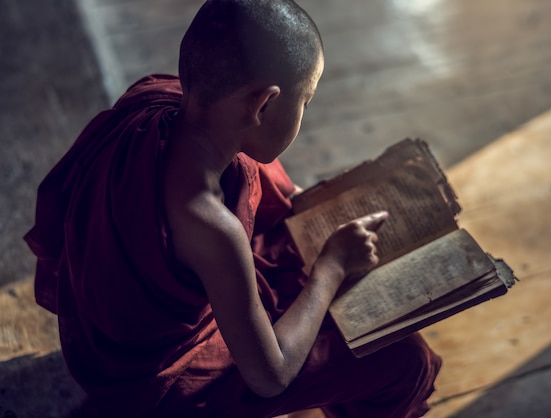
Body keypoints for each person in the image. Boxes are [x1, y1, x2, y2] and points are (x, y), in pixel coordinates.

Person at [24, 1, 441, 417]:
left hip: (95, 340)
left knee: (265, 198)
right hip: (157, 381)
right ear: (262, 106)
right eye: (306, 101)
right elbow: (270, 375)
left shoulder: (155, 97)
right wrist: (331, 267)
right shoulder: (209, 223)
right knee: (405, 360)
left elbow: (279, 198)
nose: (305, 113)